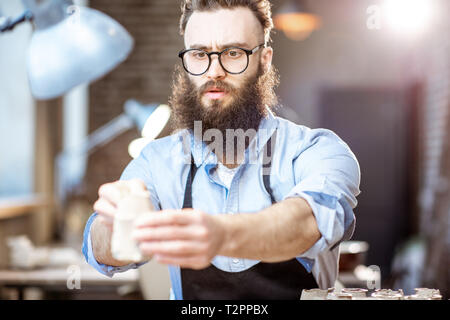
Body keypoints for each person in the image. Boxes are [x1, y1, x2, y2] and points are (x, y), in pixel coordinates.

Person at [82, 0, 361, 300]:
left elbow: (308, 223)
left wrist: (221, 235)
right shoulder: (156, 161)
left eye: (233, 53)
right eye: (200, 54)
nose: (214, 71)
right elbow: (97, 247)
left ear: (264, 60)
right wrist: (118, 223)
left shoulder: (316, 151)